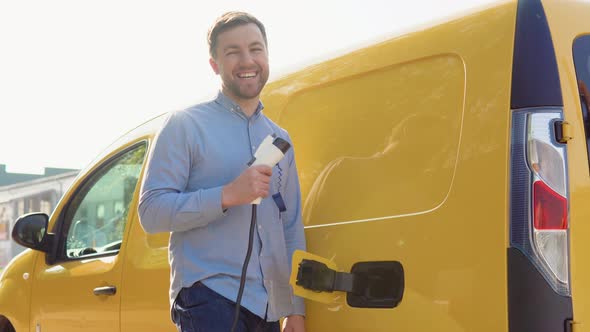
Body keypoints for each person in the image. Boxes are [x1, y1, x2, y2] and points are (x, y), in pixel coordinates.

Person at [138, 11, 306, 332]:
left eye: (255, 49)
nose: (247, 60)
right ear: (214, 64)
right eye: (233, 52)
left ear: (266, 55)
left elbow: (291, 226)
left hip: (268, 308)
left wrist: (295, 310)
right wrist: (228, 195)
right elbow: (151, 212)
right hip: (208, 297)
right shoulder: (185, 125)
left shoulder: (280, 139)